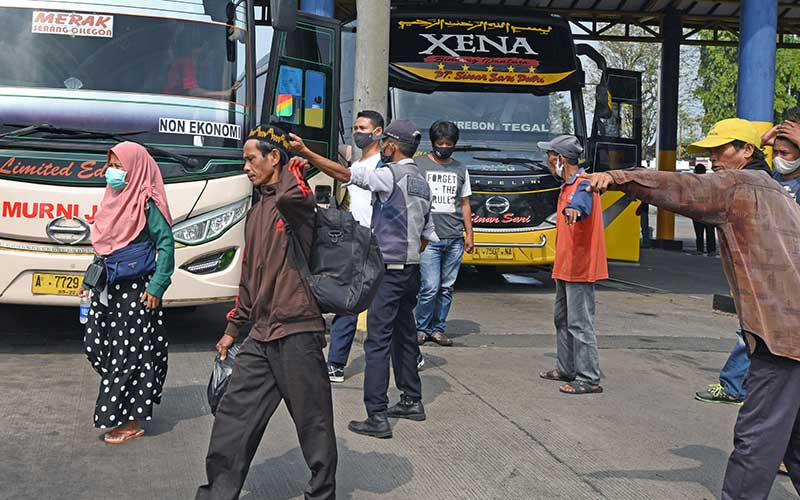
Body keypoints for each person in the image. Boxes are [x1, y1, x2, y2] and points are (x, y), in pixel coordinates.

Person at [578, 117, 800, 499]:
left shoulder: (739, 185)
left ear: (747, 151)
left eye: (722, 149)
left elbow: (680, 186)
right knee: (793, 440)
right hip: (789, 333)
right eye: (709, 150)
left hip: (782, 337)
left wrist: (618, 177)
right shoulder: (777, 192)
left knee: (757, 437)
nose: (713, 157)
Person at [196, 125, 337, 500]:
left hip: (297, 331)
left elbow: (294, 192)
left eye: (251, 159)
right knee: (233, 419)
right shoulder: (257, 210)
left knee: (313, 423)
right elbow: (250, 276)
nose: (246, 167)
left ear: (273, 158)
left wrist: (294, 159)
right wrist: (233, 327)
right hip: (260, 334)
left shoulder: (296, 203)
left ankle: (322, 494)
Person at [289, 119, 438, 439]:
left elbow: (346, 175)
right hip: (411, 269)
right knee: (405, 335)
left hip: (389, 270)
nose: (382, 146)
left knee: (377, 342)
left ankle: (377, 415)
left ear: (393, 146)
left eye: (385, 142)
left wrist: (307, 153)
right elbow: (427, 235)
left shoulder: (389, 175)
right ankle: (412, 399)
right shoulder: (422, 182)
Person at [78, 142, 175, 444]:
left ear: (136, 169)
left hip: (137, 291)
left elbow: (166, 245)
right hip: (107, 288)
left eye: (119, 166)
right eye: (111, 165)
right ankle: (126, 401)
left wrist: (157, 286)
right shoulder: (113, 199)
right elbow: (104, 247)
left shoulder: (145, 202)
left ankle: (129, 419)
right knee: (97, 346)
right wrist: (89, 281)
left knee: (129, 354)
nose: (113, 172)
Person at [694, 120, 795, 407]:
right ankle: (739, 386)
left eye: (786, 153)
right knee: (752, 332)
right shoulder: (768, 178)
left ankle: (739, 387)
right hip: (766, 277)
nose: (712, 157)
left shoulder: (766, 184)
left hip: (780, 280)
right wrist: (761, 140)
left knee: (756, 335)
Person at [536, 135, 607, 395]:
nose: (547, 161)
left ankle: (589, 378)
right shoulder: (568, 184)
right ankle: (566, 368)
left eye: (550, 156)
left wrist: (574, 209)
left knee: (580, 323)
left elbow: (582, 204)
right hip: (565, 264)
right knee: (562, 319)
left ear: (561, 159)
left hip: (580, 266)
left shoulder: (583, 184)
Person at [326, 110, 384, 384]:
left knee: (389, 307)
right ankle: (335, 363)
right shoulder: (353, 163)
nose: (358, 132)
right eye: (355, 127)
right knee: (348, 304)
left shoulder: (384, 166)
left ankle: (410, 352)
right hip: (353, 242)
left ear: (378, 132)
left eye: (363, 128)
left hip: (379, 244)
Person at [414, 120, 474, 347]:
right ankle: (421, 328)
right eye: (440, 143)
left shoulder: (460, 169)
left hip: (454, 238)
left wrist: (470, 234)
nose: (444, 147)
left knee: (446, 287)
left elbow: (465, 203)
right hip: (428, 238)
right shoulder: (418, 165)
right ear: (432, 143)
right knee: (429, 286)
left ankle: (438, 329)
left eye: (449, 143)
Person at [690, 163, 717, 256]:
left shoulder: (693, 184)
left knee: (699, 232)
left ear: (695, 172)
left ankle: (699, 250)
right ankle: (712, 250)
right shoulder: (710, 182)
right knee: (710, 232)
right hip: (710, 210)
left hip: (697, 210)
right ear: (705, 171)